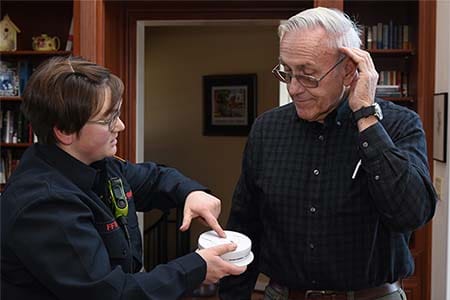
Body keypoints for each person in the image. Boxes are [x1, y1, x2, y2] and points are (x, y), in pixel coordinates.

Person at [219, 7, 437, 300]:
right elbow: (245, 225)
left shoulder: (399, 124)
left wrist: (366, 118)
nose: (294, 89)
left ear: (348, 70)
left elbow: (411, 214)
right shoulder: (266, 129)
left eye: (308, 76)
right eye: (287, 72)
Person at [0, 56, 245, 300]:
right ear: (65, 131)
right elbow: (109, 293)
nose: (121, 126)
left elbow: (153, 179)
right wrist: (196, 269)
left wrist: (190, 193)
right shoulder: (45, 205)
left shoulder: (98, 164)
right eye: (108, 119)